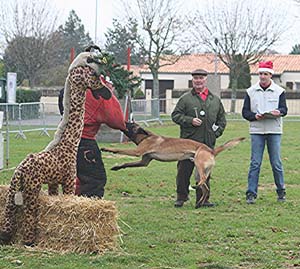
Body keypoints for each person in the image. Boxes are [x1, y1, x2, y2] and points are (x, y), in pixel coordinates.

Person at [58, 83, 125, 198]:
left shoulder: (67, 88)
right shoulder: (97, 92)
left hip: (64, 140)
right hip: (84, 141)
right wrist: (109, 93)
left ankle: (72, 205)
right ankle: (86, 214)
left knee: (73, 179)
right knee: (94, 181)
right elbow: (116, 120)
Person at [171, 69, 227, 208]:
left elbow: (222, 120)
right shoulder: (185, 99)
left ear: (205, 80)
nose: (198, 81)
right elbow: (175, 115)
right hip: (188, 143)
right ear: (192, 80)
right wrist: (189, 120)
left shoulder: (215, 100)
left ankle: (203, 199)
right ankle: (181, 197)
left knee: (204, 172)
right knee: (184, 170)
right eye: (196, 78)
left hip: (207, 143)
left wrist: (216, 133)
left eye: (201, 78)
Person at [242, 61, 288, 204]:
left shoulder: (279, 91)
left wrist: (278, 112)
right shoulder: (250, 91)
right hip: (257, 131)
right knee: (255, 163)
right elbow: (245, 112)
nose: (262, 76)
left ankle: (281, 191)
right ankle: (251, 193)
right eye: (261, 74)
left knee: (276, 163)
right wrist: (254, 116)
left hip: (274, 130)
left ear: (270, 75)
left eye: (265, 74)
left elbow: (284, 110)